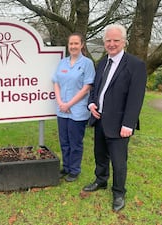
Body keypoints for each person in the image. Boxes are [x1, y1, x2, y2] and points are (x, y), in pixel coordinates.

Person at [82, 24, 147, 212]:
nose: (111, 44)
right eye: (108, 40)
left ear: (124, 41)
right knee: (100, 154)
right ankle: (101, 181)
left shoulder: (136, 65)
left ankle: (119, 192)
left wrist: (129, 123)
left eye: (116, 40)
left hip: (120, 124)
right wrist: (91, 103)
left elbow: (136, 98)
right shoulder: (103, 62)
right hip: (100, 118)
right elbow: (96, 88)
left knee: (119, 161)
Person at [52, 33, 95, 182]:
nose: (73, 46)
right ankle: (66, 167)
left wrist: (69, 104)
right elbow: (56, 82)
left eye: (76, 43)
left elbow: (87, 87)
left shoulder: (87, 63)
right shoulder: (63, 62)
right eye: (71, 44)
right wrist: (60, 102)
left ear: (82, 45)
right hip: (62, 109)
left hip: (77, 110)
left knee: (75, 142)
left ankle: (75, 170)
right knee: (64, 141)